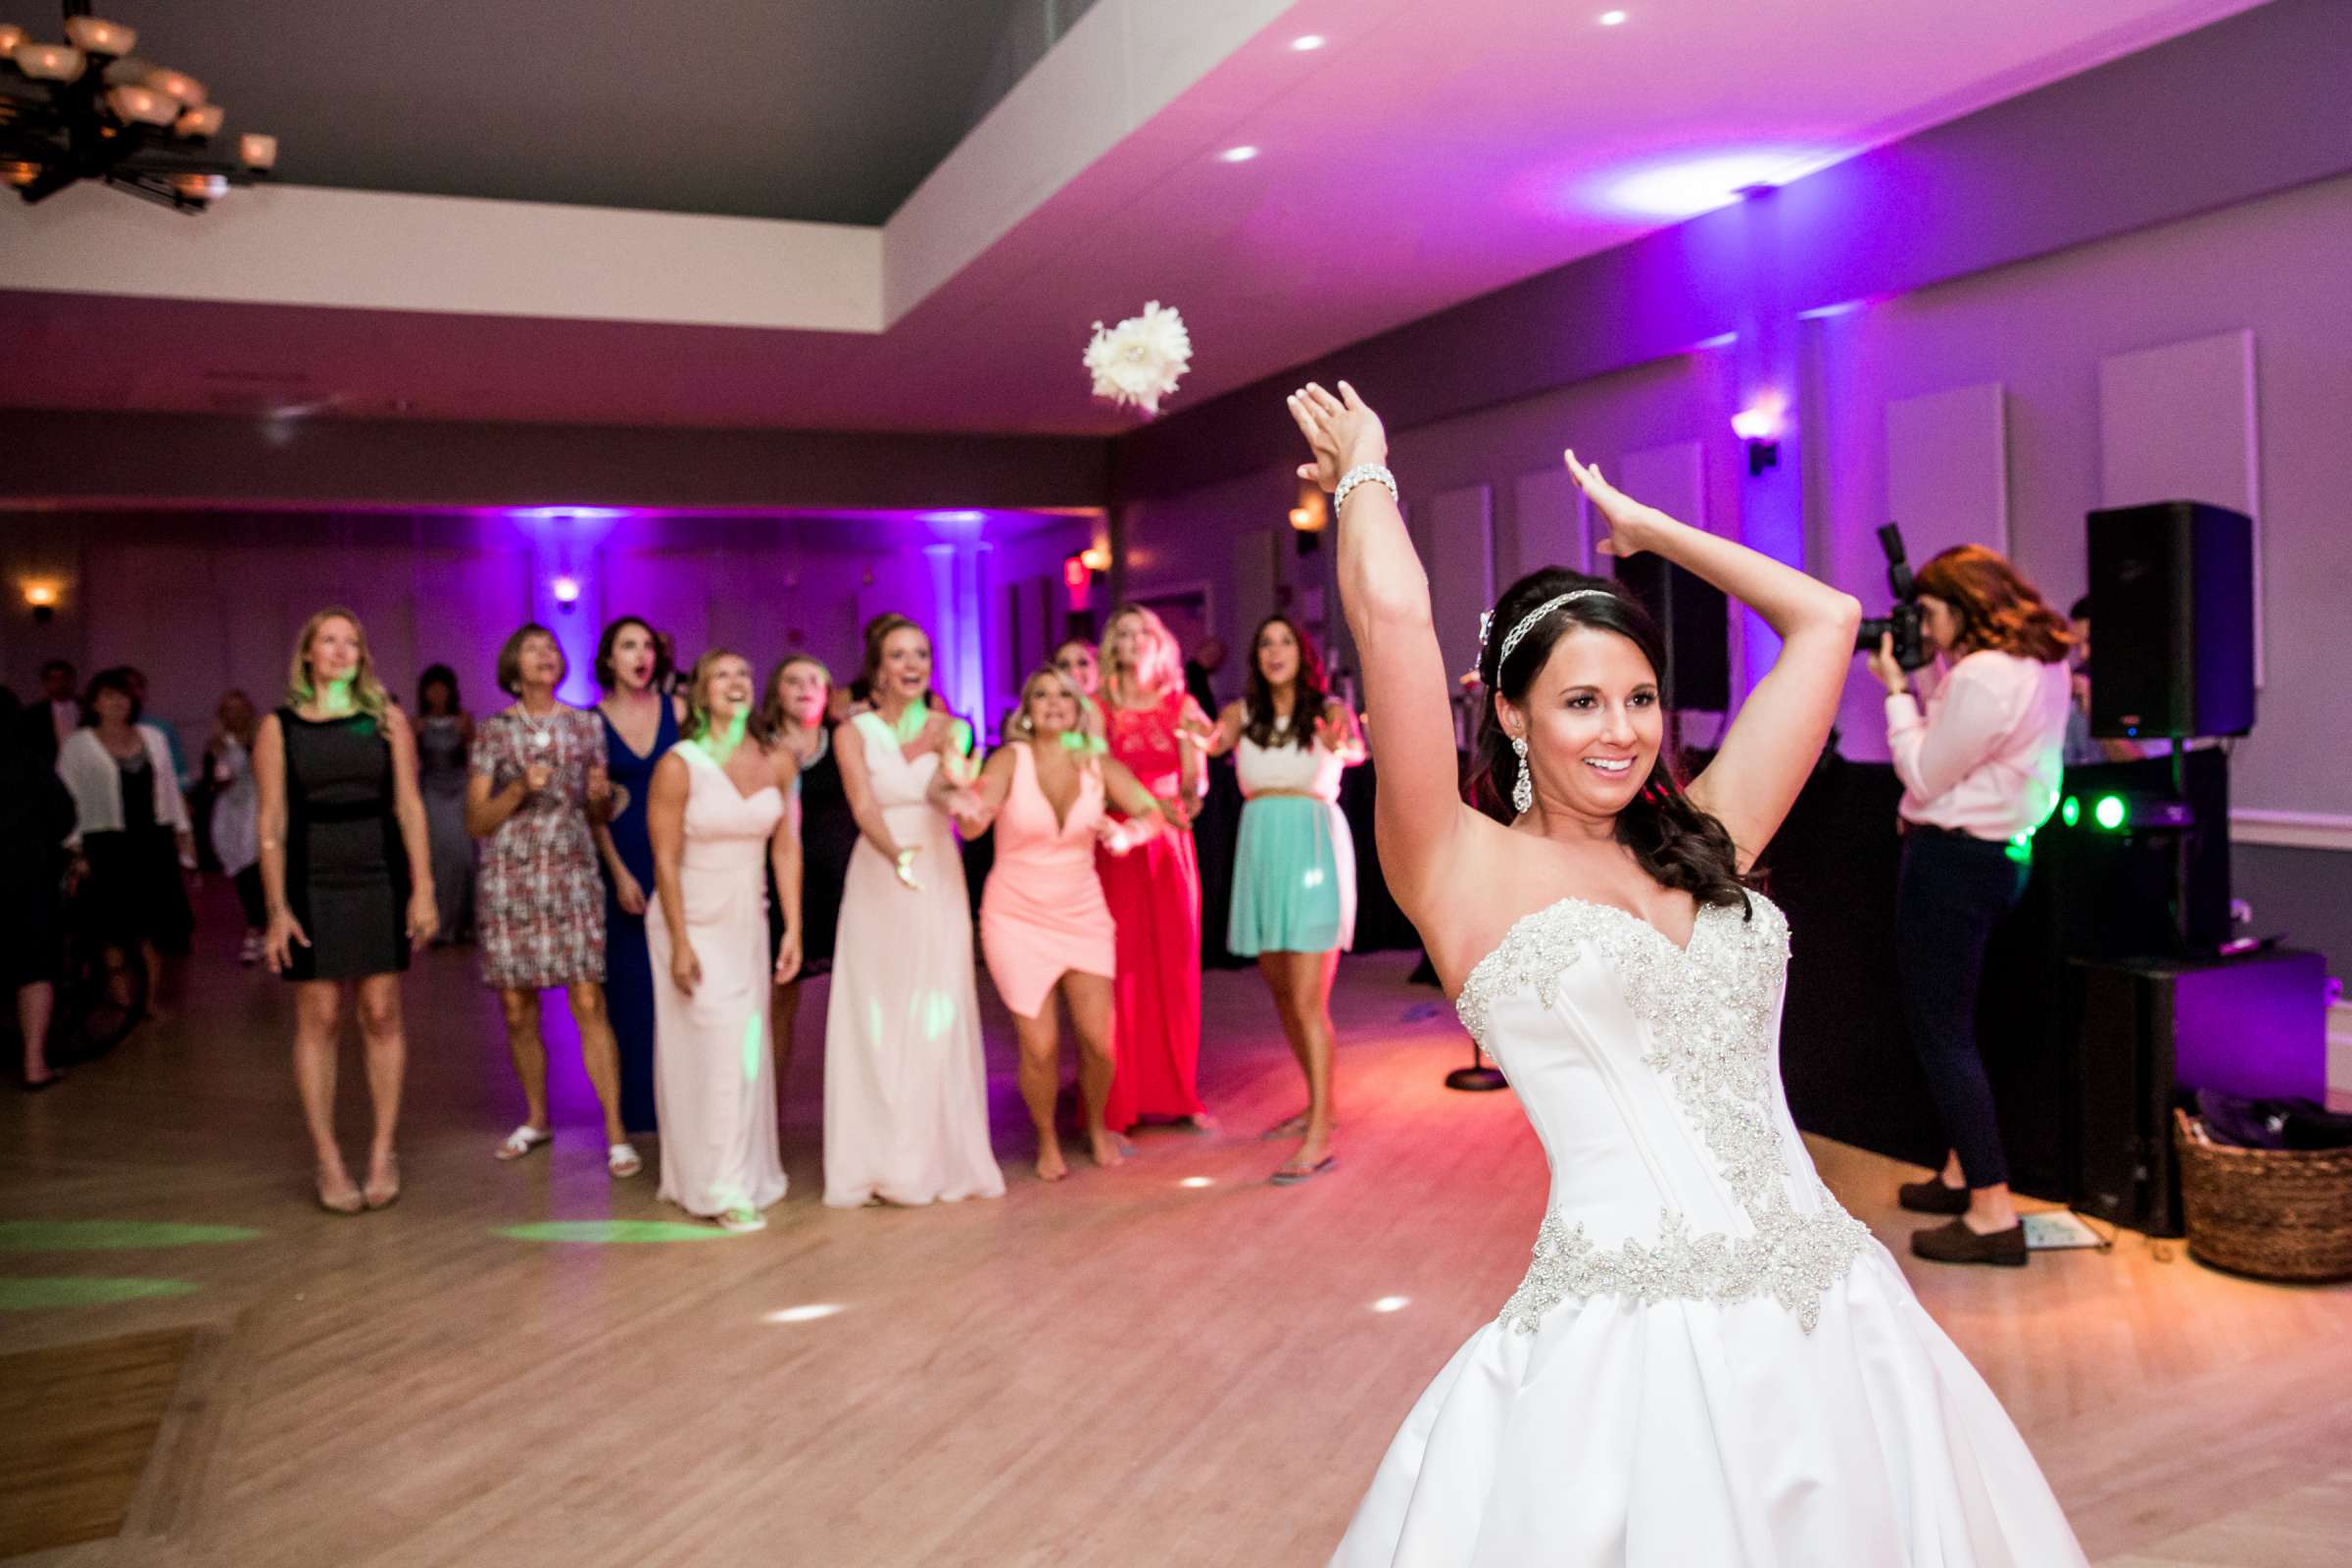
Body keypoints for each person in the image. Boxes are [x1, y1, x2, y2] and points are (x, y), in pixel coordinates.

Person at [1292, 381, 2082, 1563]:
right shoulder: (1455, 867)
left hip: (1837, 1307)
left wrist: (1655, 536)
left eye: (1641, 696)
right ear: (1509, 715)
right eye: (1580, 702)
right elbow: (1396, 620)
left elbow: (1823, 621)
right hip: (1630, 1340)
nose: (1621, 730)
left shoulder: (1709, 834)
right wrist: (1366, 471)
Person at [1867, 546, 2075, 1265]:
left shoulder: (1983, 676)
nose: (1922, 627)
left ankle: (1992, 1213)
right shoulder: (2043, 663)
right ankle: (1962, 1172)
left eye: (1928, 612)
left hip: (1952, 863)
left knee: (1942, 1033)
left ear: (1963, 605)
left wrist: (1898, 690)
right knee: (1961, 1024)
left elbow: (1923, 773)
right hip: (2004, 858)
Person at [255, 610, 438, 1212]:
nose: (340, 650)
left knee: (381, 1012)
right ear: (306, 654)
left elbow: (410, 808)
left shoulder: (386, 721)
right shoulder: (278, 728)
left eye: (351, 641)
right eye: (328, 640)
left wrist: (424, 887)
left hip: (378, 876)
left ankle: (383, 1150)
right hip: (311, 878)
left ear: (363, 654)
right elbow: (273, 823)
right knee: (321, 1016)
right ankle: (328, 1158)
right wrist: (277, 908)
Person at [955, 664, 1166, 1181]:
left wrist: (1127, 835)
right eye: (1040, 695)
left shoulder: (1098, 765)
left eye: (1063, 696)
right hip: (1015, 916)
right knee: (1039, 1044)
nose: (1052, 703)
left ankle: (1095, 1125)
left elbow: (1151, 810)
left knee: (1100, 1045)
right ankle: (1047, 1137)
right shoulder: (1010, 758)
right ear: (1026, 710)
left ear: (1077, 709)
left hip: (1082, 913)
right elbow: (977, 819)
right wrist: (967, 806)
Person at [822, 613, 1004, 1208]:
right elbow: (862, 803)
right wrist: (894, 853)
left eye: (921, 654)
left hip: (935, 870)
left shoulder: (952, 726)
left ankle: (932, 1156)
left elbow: (942, 791)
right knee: (877, 1012)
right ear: (877, 670)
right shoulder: (854, 731)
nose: (912, 665)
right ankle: (875, 1156)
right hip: (880, 872)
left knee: (936, 1007)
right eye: (899, 656)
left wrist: (960, 795)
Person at [1189, 614, 1365, 1183]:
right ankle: (1323, 1104)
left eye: (1285, 641)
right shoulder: (1242, 715)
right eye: (1264, 643)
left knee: (1309, 998)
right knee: (1283, 993)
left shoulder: (1326, 711)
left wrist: (1344, 735)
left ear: (1302, 652)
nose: (1274, 651)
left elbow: (1354, 751)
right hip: (1261, 848)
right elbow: (1207, 743)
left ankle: (1318, 1134)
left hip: (1312, 847)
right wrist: (1184, 727)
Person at [467, 623, 639, 1178]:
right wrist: (518, 789)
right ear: (514, 669)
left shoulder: (586, 724)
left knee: (588, 999)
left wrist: (599, 799)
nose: (546, 654)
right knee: (518, 1006)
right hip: (511, 876)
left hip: (570, 867)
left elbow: (599, 812)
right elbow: (476, 820)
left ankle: (615, 1132)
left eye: (551, 648)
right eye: (533, 648)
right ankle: (536, 1118)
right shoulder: (493, 732)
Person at [646, 650, 801, 1232]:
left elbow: (786, 846)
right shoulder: (679, 764)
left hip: (748, 920)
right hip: (691, 917)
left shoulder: (777, 760)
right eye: (721, 675)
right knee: (714, 1043)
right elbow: (664, 856)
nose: (735, 682)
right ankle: (717, 1187)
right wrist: (681, 942)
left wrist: (794, 924)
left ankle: (735, 1169)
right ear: (700, 693)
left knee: (743, 1049)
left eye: (743, 673)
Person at [1097, 604, 1214, 1133]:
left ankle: (1178, 1093)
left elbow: (1198, 781)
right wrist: (1145, 807)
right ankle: (1120, 1098)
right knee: (1121, 970)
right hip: (1117, 847)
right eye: (1122, 632)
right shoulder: (1094, 707)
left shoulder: (1180, 703)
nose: (1134, 638)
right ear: (1111, 647)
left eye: (1143, 630)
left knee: (1174, 965)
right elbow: (1092, 778)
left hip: (1169, 844)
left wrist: (1188, 795)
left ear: (1159, 641)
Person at [55, 666, 194, 1021]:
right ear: (94, 703)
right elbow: (64, 799)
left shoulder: (153, 737)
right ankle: (122, 999)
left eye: (123, 695)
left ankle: (147, 1001)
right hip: (106, 844)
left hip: (151, 842)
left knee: (153, 926)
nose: (117, 702)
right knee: (111, 927)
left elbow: (169, 790)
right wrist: (75, 848)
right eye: (108, 696)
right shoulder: (78, 745)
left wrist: (183, 835)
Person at [589, 617, 680, 1136]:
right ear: (608, 659)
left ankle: (679, 1099)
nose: (640, 655)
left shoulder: (678, 711)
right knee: (628, 986)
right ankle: (638, 1111)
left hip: (676, 854)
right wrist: (618, 873)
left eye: (647, 645)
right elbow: (593, 809)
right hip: (622, 857)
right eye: (628, 646)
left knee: (676, 978)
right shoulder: (591, 722)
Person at [759, 654, 858, 1091]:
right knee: (780, 996)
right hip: (781, 884)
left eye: (814, 680)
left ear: (828, 691)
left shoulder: (844, 741)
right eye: (792, 680)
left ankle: (856, 1100)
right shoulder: (760, 748)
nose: (804, 688)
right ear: (776, 691)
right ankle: (769, 1101)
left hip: (842, 883)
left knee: (854, 994)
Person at [2, 686, 74, 1089]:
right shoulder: (29, 764)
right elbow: (63, 817)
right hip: (25, 881)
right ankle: (34, 1065)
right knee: (34, 971)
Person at [415, 663, 477, 946]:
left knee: (465, 857)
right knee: (438, 858)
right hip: (432, 791)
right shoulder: (416, 723)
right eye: (432, 688)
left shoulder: (464, 720)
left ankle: (465, 924)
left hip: (459, 788)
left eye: (443, 687)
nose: (438, 693)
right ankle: (441, 927)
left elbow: (475, 759)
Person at [204, 690, 266, 964]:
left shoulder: (261, 740)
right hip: (231, 811)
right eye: (228, 709)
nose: (235, 714)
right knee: (240, 867)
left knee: (257, 867)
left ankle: (258, 927)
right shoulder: (216, 746)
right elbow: (209, 782)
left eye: (240, 708)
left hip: (258, 805)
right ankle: (257, 922)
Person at [1052, 636, 1108, 747]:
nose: (1073, 671)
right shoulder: (1048, 713)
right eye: (1064, 665)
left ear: (1099, 667)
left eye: (1082, 663)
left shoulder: (1116, 712)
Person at [20, 659, 77, 766]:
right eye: (53, 679)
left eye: (64, 678)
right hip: (49, 770)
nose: (60, 683)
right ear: (45, 683)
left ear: (72, 680)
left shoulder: (88, 708)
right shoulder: (34, 714)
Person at [1183, 633, 1227, 715]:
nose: (1212, 655)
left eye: (1217, 654)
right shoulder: (1193, 673)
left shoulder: (1199, 674)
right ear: (1199, 649)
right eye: (1209, 650)